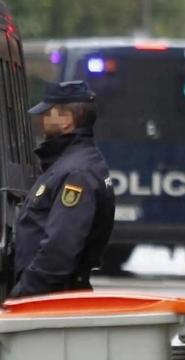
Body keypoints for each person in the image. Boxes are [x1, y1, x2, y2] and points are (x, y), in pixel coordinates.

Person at [9, 81, 115, 298]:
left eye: (49, 113)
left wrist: (22, 294)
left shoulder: (76, 173)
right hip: (52, 295)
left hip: (50, 299)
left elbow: (59, 250)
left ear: (67, 120)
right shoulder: (71, 163)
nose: (41, 120)